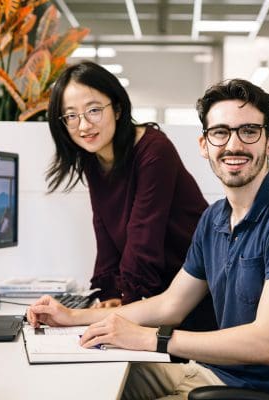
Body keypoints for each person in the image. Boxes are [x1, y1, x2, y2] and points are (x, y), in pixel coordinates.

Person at [29, 79, 269, 399]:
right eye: (220, 132)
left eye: (249, 131)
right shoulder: (215, 217)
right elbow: (171, 305)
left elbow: (267, 344)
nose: (233, 145)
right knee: (86, 385)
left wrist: (152, 340)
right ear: (204, 145)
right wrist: (73, 317)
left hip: (254, 390)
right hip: (208, 371)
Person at [46, 61, 214, 331]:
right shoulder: (93, 157)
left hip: (194, 289)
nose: (84, 125)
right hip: (155, 296)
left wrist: (128, 299)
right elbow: (104, 229)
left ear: (118, 108)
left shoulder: (154, 150)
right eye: (71, 116)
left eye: (94, 110)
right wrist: (110, 293)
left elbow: (143, 233)